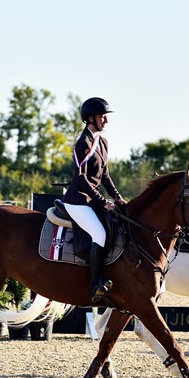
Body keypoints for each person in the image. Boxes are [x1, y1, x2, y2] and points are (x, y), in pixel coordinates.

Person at [62, 97, 127, 303]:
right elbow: (80, 178)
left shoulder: (102, 142)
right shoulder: (83, 143)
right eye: (102, 116)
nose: (106, 121)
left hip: (91, 200)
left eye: (106, 117)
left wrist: (118, 197)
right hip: (78, 200)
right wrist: (102, 201)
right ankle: (95, 284)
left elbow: (105, 176)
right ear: (91, 119)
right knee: (99, 233)